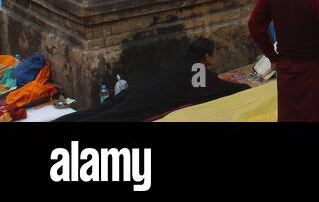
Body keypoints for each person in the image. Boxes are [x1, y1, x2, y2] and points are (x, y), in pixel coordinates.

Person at [55, 37, 244, 122]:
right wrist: (244, 86)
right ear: (207, 56)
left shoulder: (183, 61)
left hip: (139, 90)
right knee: (107, 118)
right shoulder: (198, 71)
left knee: (100, 110)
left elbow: (209, 84)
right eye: (214, 55)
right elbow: (219, 88)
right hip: (149, 100)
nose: (215, 59)